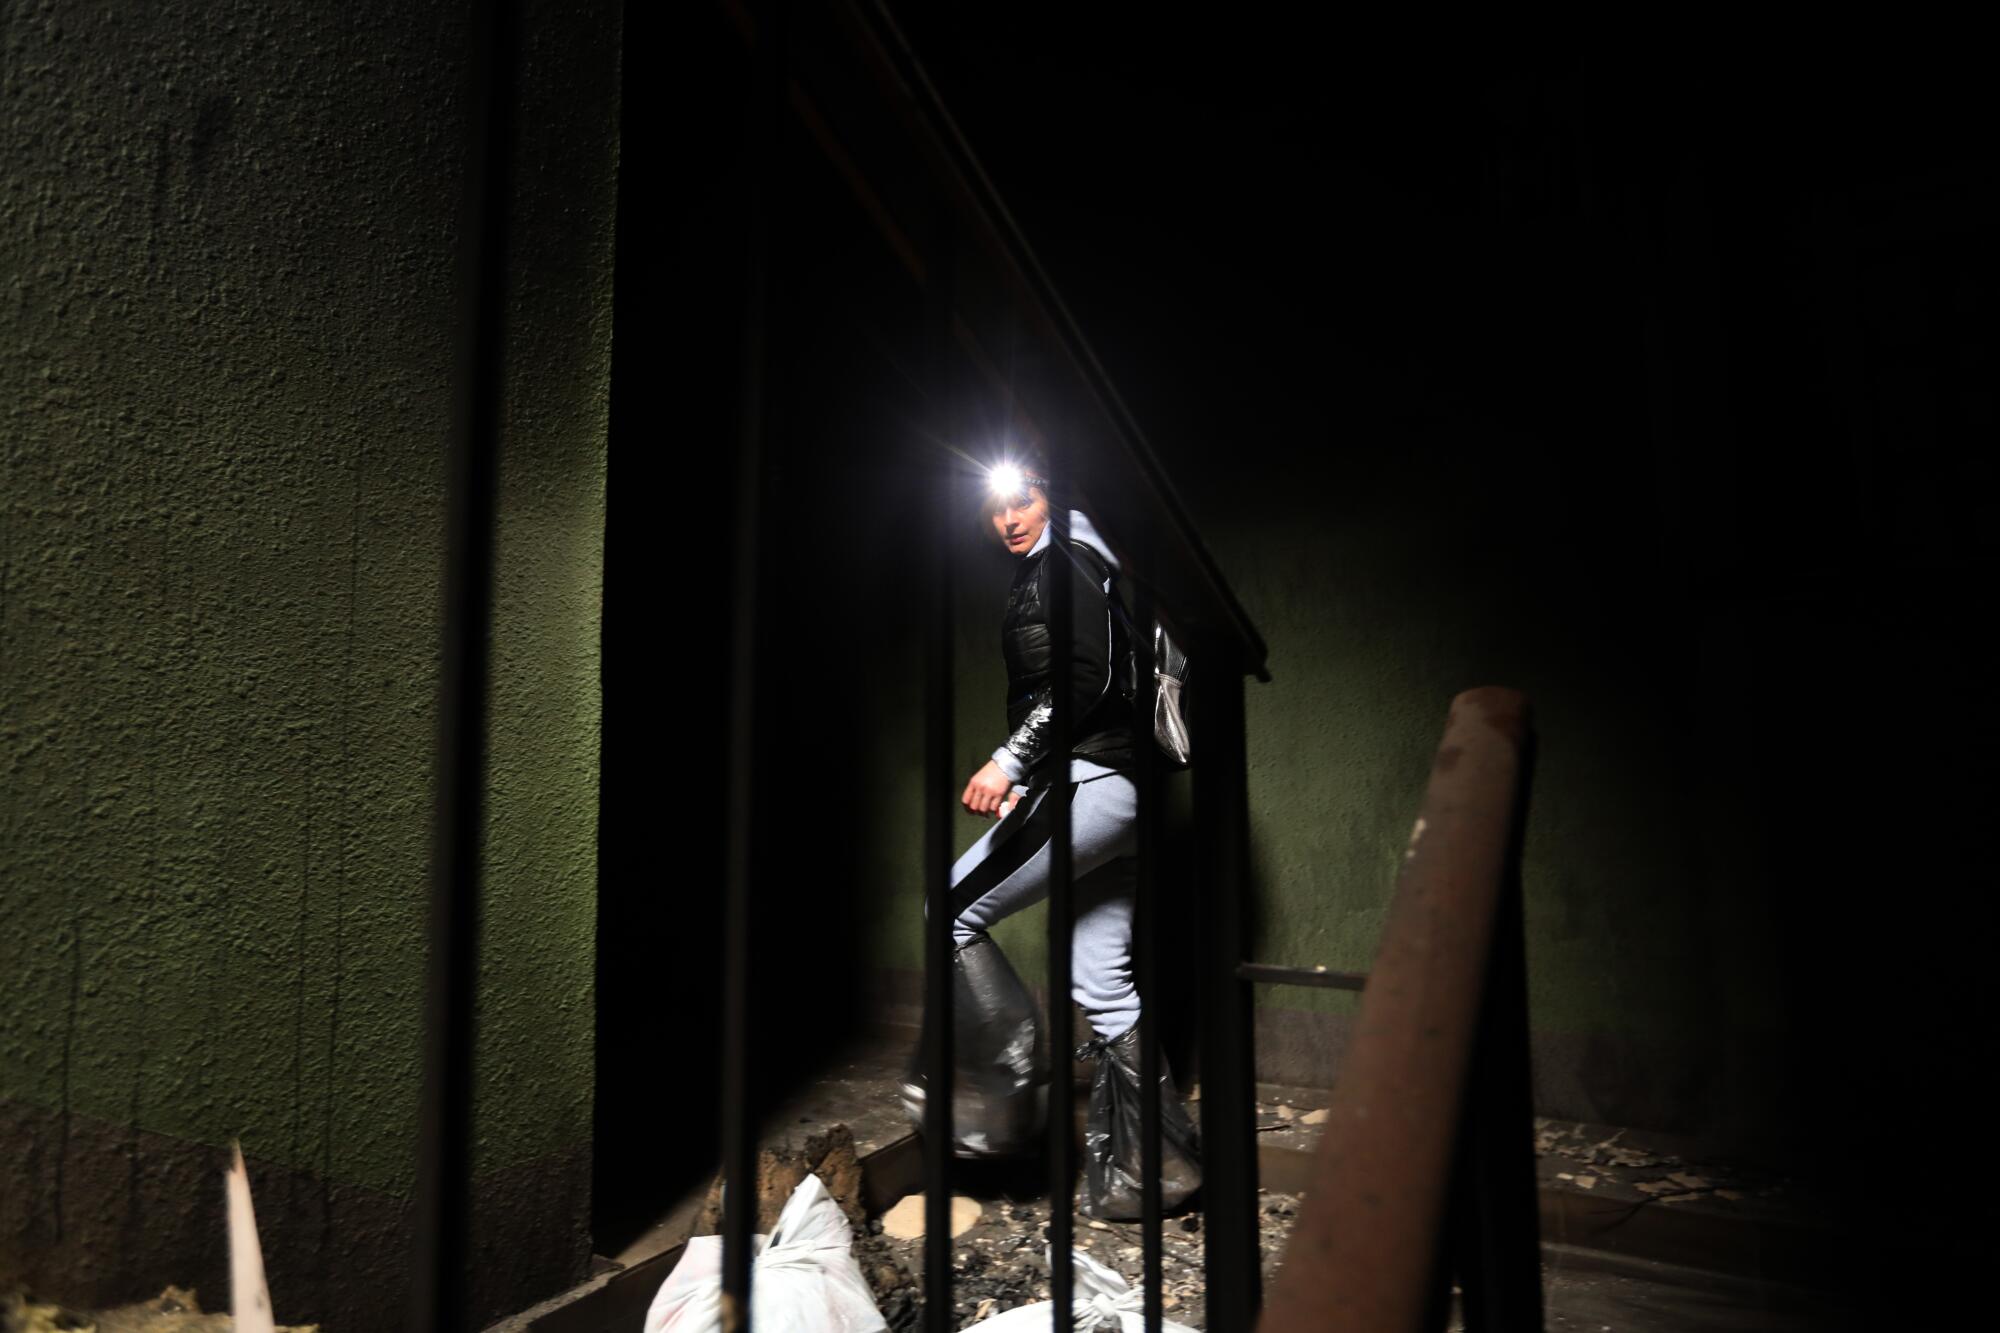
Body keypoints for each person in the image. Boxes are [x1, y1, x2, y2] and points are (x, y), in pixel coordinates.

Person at [900, 459, 1200, 1219]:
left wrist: (1010, 762)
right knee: (1102, 981)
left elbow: (1087, 678)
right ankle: (1161, 1169)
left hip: (1089, 780)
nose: (1008, 519)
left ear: (1051, 496)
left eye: (1022, 499)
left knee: (952, 907)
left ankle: (1005, 1092)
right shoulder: (1080, 565)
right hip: (1117, 792)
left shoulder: (1064, 558)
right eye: (996, 507)